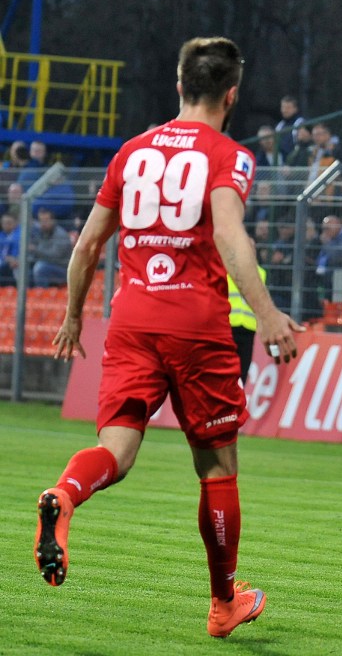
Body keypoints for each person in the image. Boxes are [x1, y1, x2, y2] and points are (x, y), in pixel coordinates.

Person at [36, 36, 304, 639]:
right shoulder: (228, 155)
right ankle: (223, 603)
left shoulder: (131, 153)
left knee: (116, 450)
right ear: (231, 95)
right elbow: (230, 236)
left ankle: (66, 495)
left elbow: (87, 245)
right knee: (217, 468)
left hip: (131, 320)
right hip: (196, 325)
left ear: (179, 86)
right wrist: (266, 314)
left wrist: (74, 316)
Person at [227, 236, 267, 382]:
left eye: (252, 248)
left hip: (248, 329)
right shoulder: (227, 269)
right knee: (227, 370)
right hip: (229, 327)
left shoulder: (261, 273)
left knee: (243, 371)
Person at [29, 207, 73, 287]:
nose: (43, 224)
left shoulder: (60, 234)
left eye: (46, 220)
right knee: (25, 266)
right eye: (41, 221)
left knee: (40, 267)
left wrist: (35, 250)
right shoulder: (41, 233)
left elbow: (54, 256)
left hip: (62, 269)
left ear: (53, 220)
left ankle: (41, 292)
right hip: (46, 264)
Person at [0, 211, 20, 286]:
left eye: (9, 223)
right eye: (3, 223)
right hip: (4, 260)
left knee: (5, 267)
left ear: (15, 223)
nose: (6, 225)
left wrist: (12, 258)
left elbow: (17, 251)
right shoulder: (2, 234)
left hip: (15, 262)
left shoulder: (20, 234)